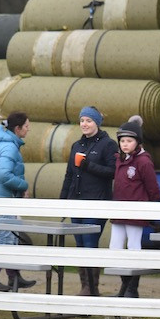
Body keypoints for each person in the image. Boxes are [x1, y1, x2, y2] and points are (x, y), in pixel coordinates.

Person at [60, 105, 118, 296]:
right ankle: (86, 286)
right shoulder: (77, 145)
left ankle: (91, 288)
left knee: (89, 243)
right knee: (79, 245)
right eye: (82, 120)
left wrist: (88, 165)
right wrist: (62, 202)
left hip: (96, 203)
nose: (84, 124)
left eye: (89, 121)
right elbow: (69, 175)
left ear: (97, 123)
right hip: (76, 203)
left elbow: (112, 172)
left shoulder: (108, 145)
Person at [0, 111, 36, 292]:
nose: (28, 130)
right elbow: (4, 175)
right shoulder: (10, 147)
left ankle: (14, 276)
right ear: (17, 128)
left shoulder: (5, 142)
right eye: (27, 126)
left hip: (2, 198)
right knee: (6, 238)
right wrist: (23, 185)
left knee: (11, 237)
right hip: (3, 200)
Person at [109, 115, 160, 298]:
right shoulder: (119, 160)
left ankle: (132, 289)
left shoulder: (144, 161)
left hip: (136, 213)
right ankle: (125, 286)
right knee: (114, 248)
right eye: (122, 141)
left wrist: (153, 211)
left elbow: (153, 189)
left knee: (133, 247)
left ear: (137, 142)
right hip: (118, 212)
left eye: (129, 141)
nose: (125, 144)